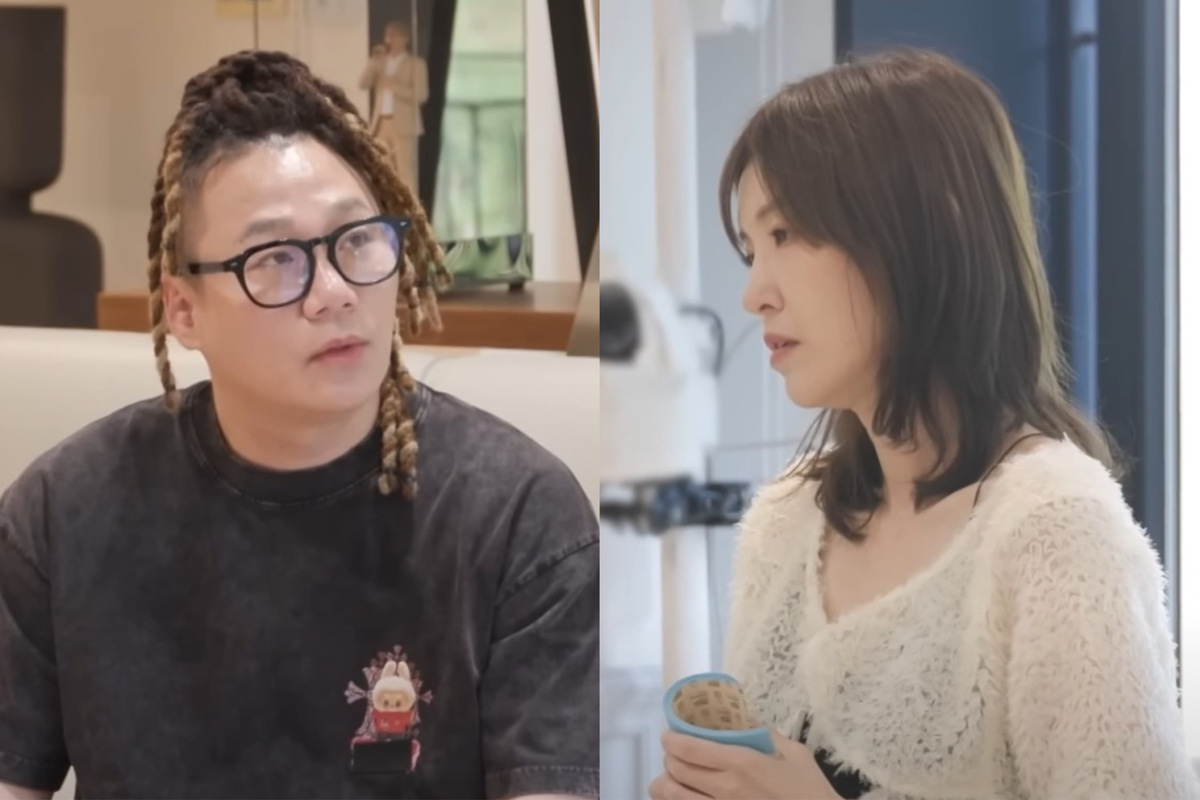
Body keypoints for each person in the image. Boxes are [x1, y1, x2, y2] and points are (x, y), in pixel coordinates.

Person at [0, 50, 598, 800]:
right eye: (277, 258)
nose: (335, 292)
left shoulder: (520, 516)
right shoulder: (64, 513)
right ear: (183, 309)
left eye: (358, 240)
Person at [649, 48, 1199, 799]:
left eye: (786, 236)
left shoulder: (1056, 532)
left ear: (925, 227)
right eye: (751, 250)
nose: (754, 294)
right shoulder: (786, 520)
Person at [359, 18, 429, 189]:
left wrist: (396, 87)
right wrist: (372, 61)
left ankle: (410, 205)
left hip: (404, 125)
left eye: (394, 36)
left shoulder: (415, 64)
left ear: (405, 39)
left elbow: (421, 95)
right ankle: (387, 204)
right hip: (381, 123)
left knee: (405, 172)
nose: (389, 40)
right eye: (387, 36)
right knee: (383, 171)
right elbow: (363, 84)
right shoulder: (381, 62)